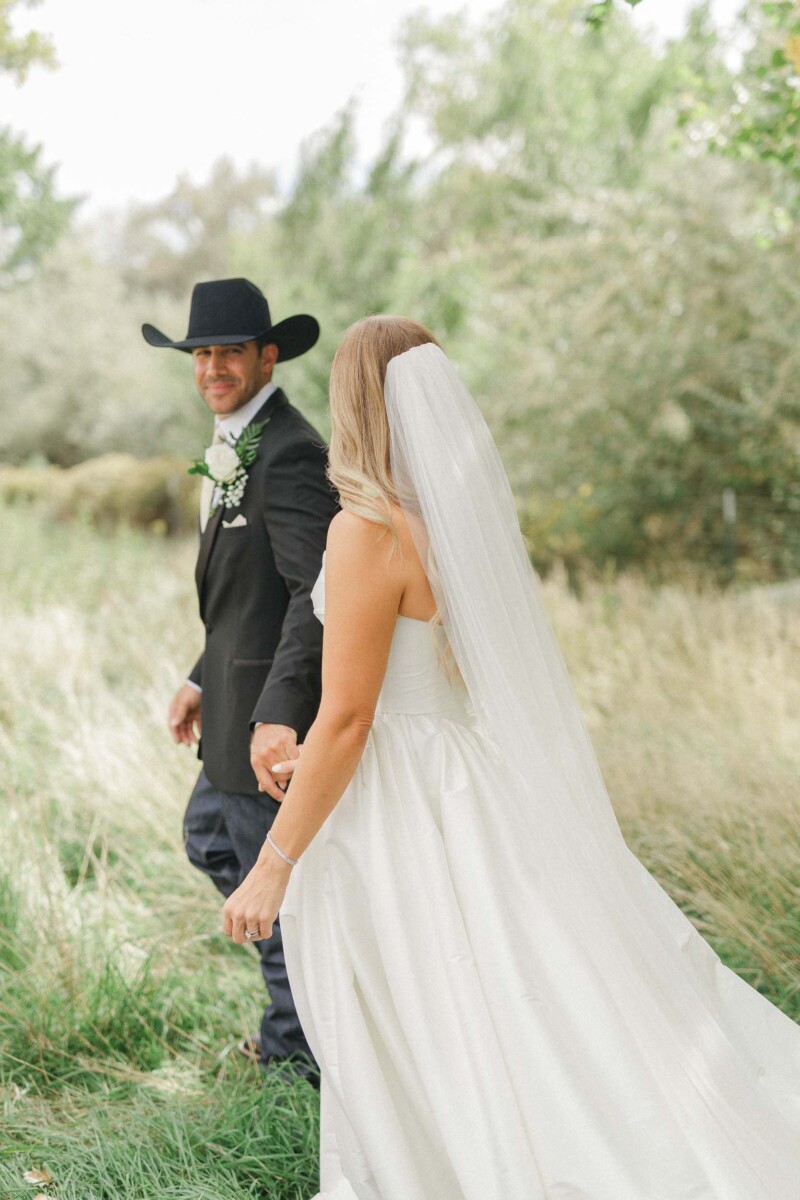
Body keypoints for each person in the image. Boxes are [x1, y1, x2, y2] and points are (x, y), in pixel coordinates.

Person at [222, 315, 800, 1198]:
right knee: (520, 990)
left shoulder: (365, 528)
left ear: (352, 401)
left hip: (403, 802)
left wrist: (273, 864)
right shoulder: (447, 522)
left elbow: (346, 719)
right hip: (467, 780)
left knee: (436, 1005)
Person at [142, 278, 338, 1083]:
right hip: (226, 704)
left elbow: (317, 593)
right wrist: (199, 676)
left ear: (267, 356)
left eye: (229, 351)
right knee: (209, 842)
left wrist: (278, 714)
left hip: (267, 727)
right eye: (202, 353)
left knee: (275, 891)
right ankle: (310, 1011)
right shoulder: (234, 444)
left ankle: (299, 1058)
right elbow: (243, 598)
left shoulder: (287, 450)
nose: (213, 366)